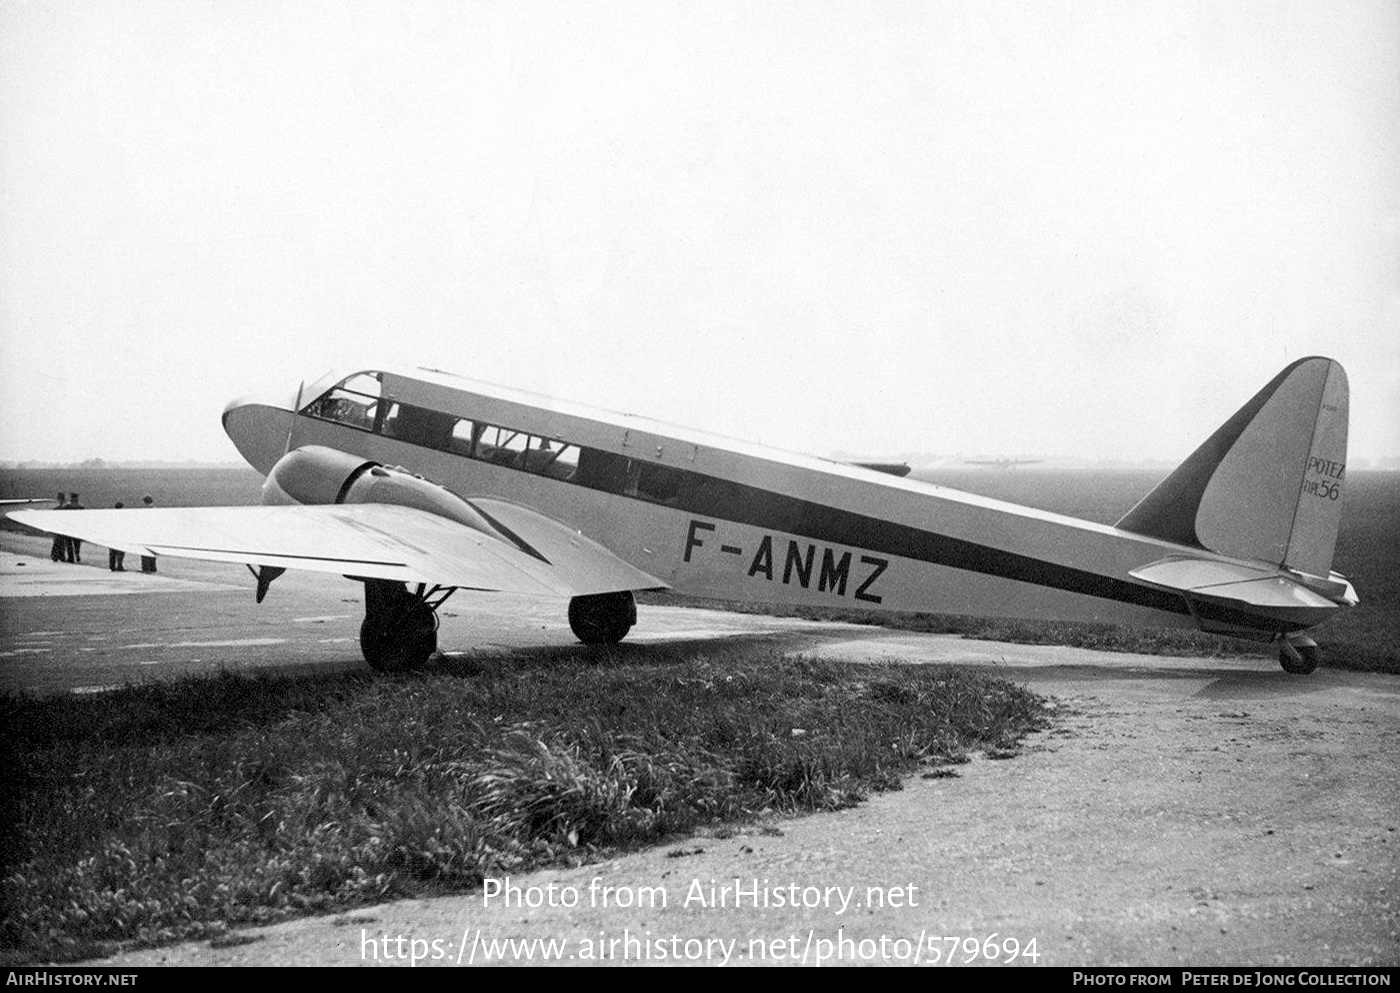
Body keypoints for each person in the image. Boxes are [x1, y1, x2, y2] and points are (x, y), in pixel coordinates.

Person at [65, 492, 84, 563]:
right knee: (77, 544)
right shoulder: (80, 506)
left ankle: (71, 557)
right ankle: (77, 554)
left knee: (69, 543)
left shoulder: (67, 506)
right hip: (77, 527)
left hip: (69, 527)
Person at [139, 495, 157, 573]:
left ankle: (146, 568)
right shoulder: (156, 510)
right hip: (154, 533)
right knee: (152, 550)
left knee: (145, 551)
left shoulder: (144, 511)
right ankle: (152, 567)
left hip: (145, 533)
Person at [50, 492, 69, 561]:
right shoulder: (61, 508)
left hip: (61, 528)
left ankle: (58, 556)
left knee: (60, 542)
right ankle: (58, 556)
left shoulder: (59, 509)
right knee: (59, 542)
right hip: (59, 528)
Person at [108, 502, 126, 571]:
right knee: (120, 552)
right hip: (120, 536)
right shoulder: (122, 516)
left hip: (112, 535)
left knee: (112, 552)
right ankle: (119, 566)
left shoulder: (111, 515)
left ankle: (112, 565)